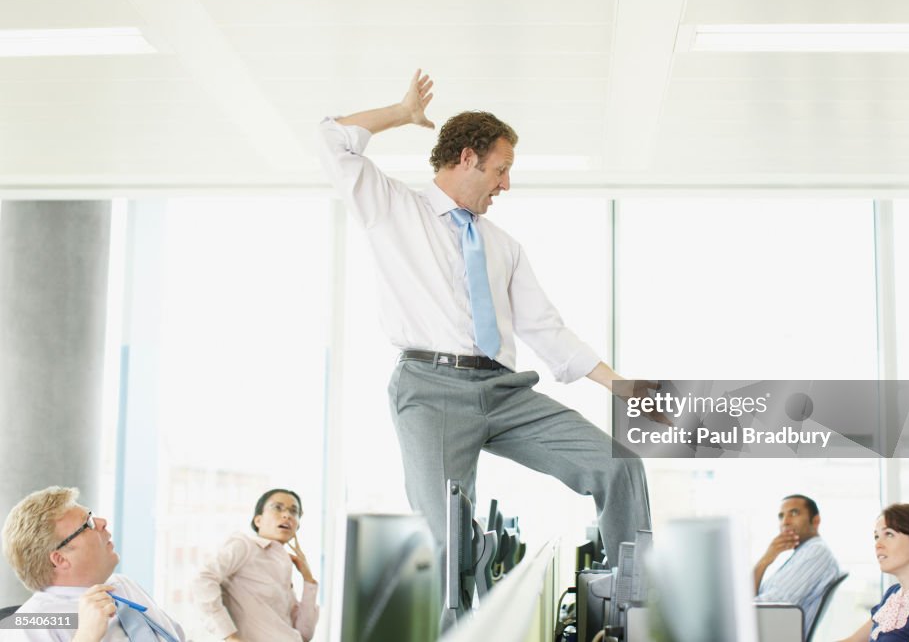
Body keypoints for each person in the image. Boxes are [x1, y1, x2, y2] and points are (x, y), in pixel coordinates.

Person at [318, 70, 657, 568]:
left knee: (618, 466)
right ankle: (471, 575)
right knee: (445, 541)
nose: (507, 183)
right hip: (429, 391)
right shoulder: (393, 210)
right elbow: (332, 141)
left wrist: (618, 384)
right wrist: (401, 113)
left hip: (505, 392)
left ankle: (636, 594)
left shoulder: (502, 246)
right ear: (467, 158)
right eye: (501, 169)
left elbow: (545, 327)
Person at [1, 486, 186, 642]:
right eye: (87, 523)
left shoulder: (123, 586)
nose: (102, 522)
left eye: (92, 515)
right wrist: (85, 637)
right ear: (61, 559)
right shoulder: (28, 624)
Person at [193, 489, 318, 642]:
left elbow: (305, 634)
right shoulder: (244, 545)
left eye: (294, 511)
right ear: (258, 520)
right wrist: (230, 636)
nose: (287, 515)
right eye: (277, 508)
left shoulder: (283, 564)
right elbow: (203, 579)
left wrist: (308, 578)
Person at [837, 503, 909, 642]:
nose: (878, 544)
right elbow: (853, 641)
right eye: (876, 536)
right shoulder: (894, 595)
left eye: (889, 534)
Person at [754, 494, 841, 639]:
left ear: (815, 520)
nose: (785, 522)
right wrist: (765, 560)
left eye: (794, 513)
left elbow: (769, 606)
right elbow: (755, 598)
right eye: (781, 516)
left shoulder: (815, 552)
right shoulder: (801, 553)